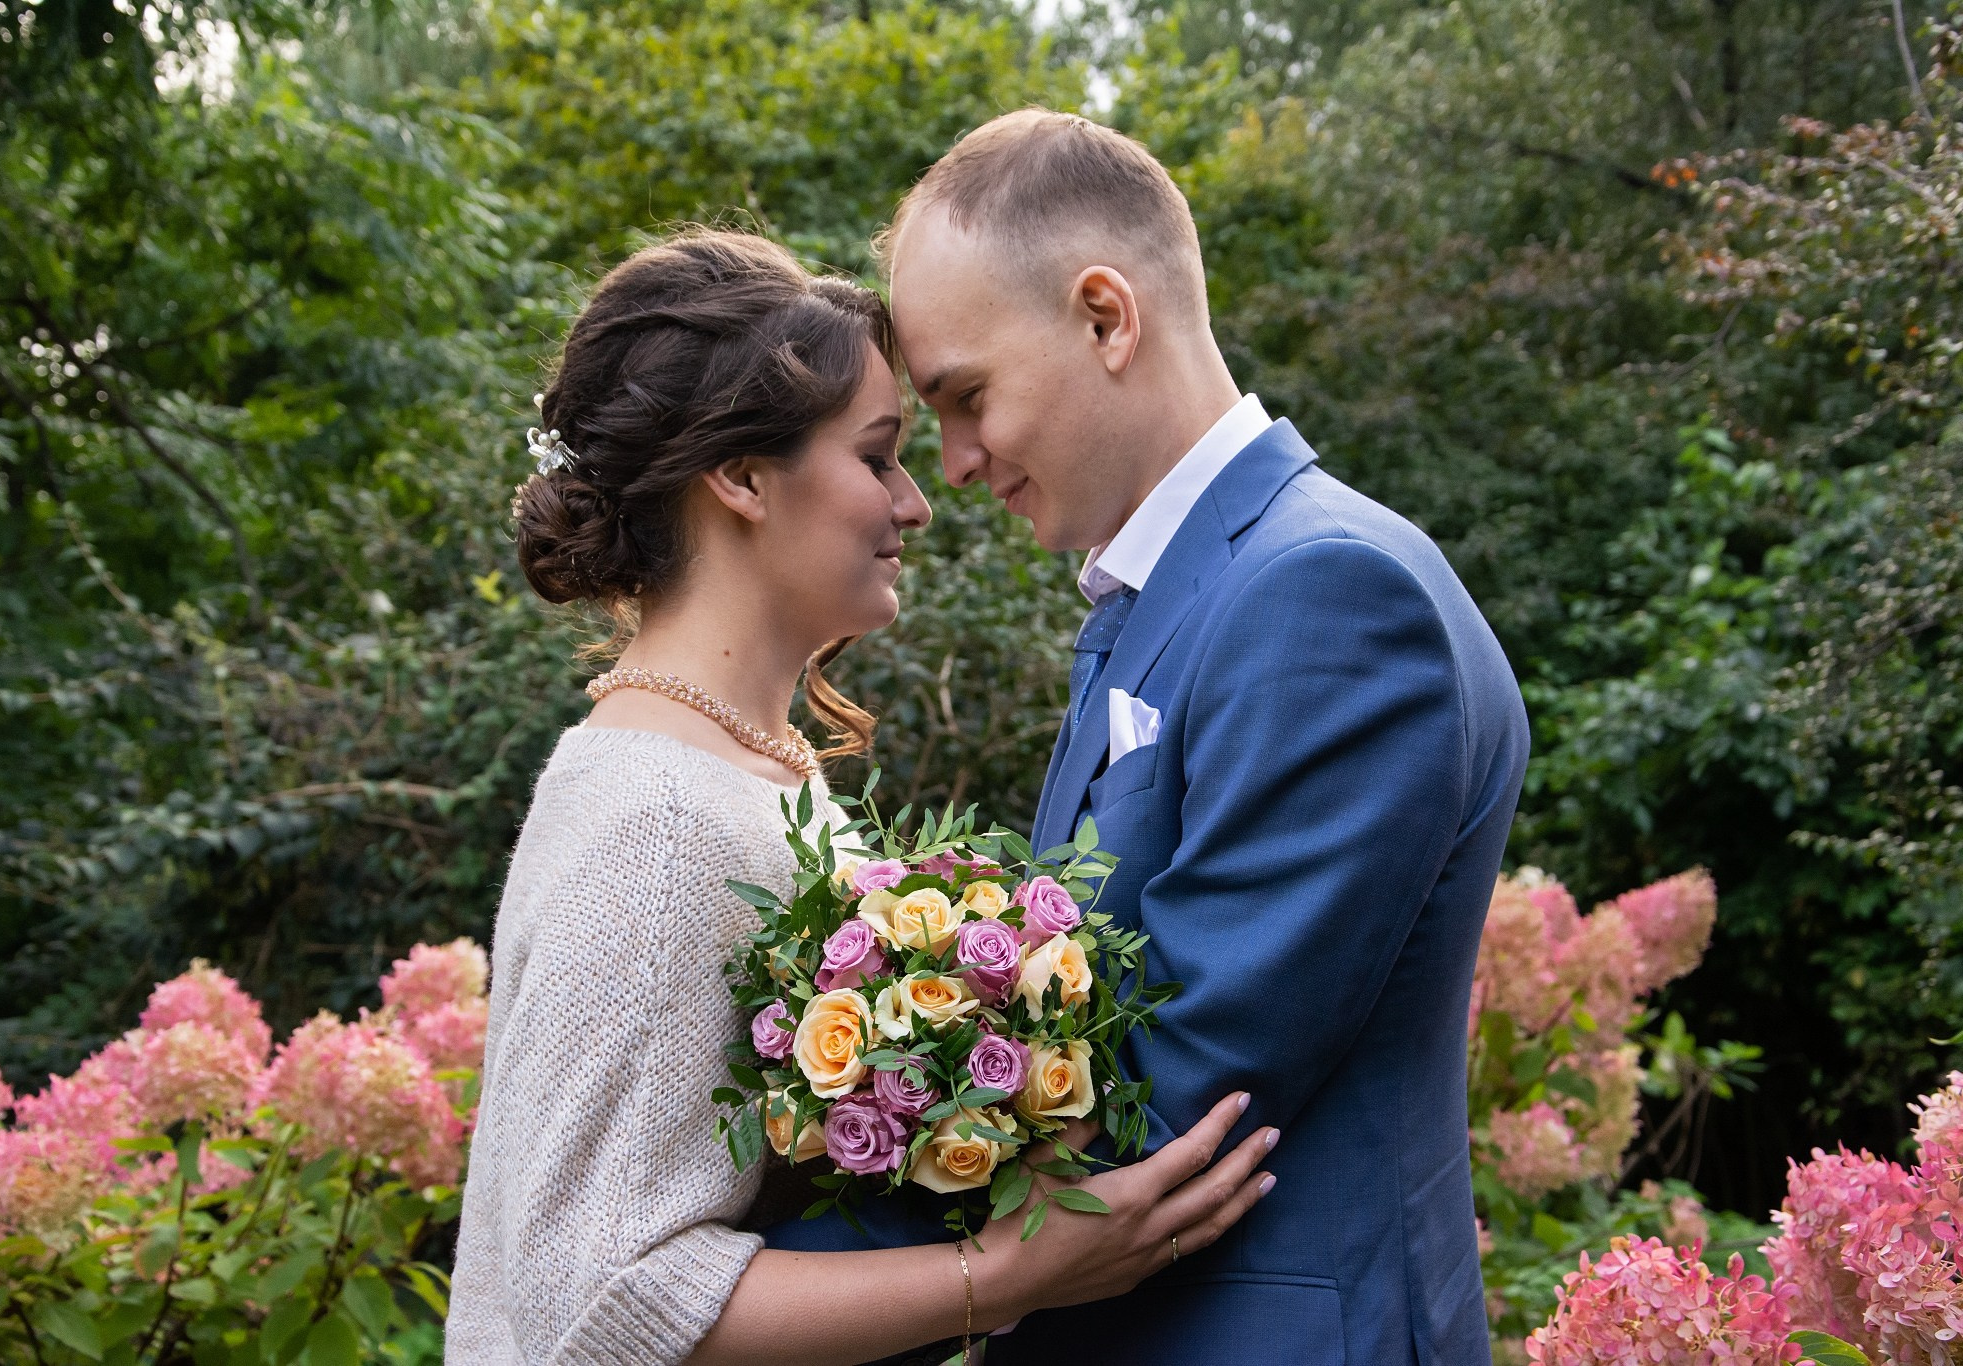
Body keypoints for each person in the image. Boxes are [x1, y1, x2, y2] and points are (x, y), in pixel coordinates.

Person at [775, 110, 1532, 1365]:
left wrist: (712, 1300)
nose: (952, 464)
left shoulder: (1327, 594)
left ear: (1104, 318)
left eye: (966, 398)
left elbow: (1162, 1083)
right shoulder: (1180, 594)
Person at [443, 228, 1276, 1366]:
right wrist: (1003, 1276)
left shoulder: (743, 767)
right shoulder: (659, 823)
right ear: (741, 478)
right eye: (878, 456)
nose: (915, 502)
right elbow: (599, 1300)